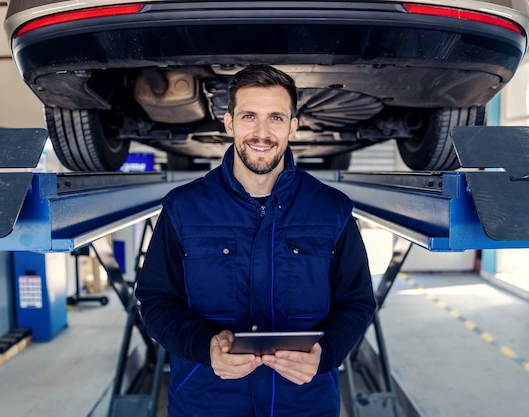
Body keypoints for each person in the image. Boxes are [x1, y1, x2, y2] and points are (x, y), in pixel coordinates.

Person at [135, 64, 377, 417]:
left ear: (293, 126)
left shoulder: (332, 209)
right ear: (229, 122)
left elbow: (356, 302)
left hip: (304, 404)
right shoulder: (183, 208)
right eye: (249, 116)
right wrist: (205, 346)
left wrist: (326, 354)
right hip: (207, 403)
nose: (261, 133)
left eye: (276, 118)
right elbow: (156, 301)